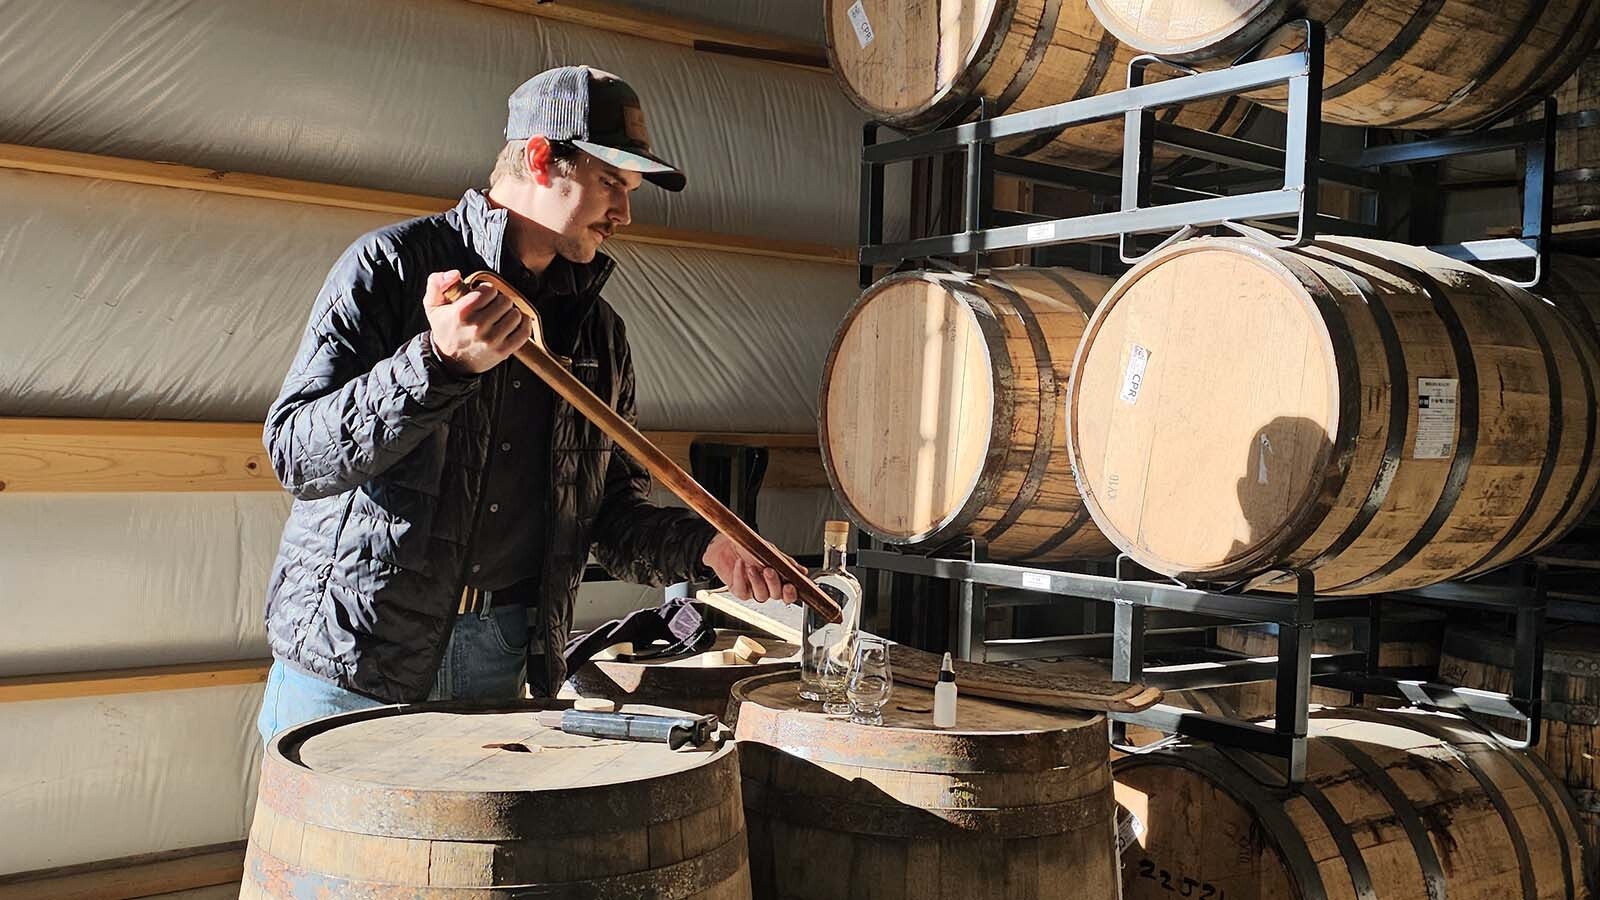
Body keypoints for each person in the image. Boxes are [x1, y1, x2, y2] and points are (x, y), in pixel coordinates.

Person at [254, 65, 798, 744]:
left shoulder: (599, 334)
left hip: (499, 656)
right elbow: (296, 455)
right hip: (357, 653)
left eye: (629, 192)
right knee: (327, 853)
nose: (625, 213)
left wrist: (708, 548)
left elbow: (607, 517)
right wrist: (436, 363)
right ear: (541, 159)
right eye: (610, 183)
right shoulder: (390, 268)